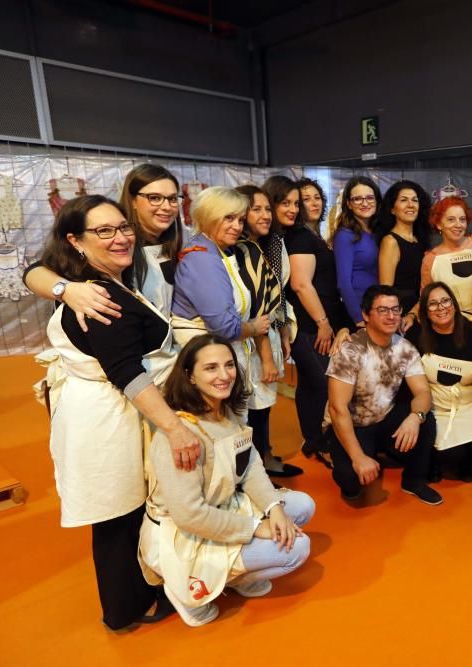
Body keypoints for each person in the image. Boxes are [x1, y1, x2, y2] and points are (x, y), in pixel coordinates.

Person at [37, 195, 201, 629]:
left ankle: (138, 593)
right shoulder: (97, 297)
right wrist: (174, 428)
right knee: (116, 512)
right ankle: (125, 608)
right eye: (104, 231)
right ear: (75, 240)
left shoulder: (100, 281)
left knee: (127, 508)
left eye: (122, 228)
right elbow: (126, 370)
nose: (119, 237)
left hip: (112, 409)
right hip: (106, 416)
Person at [140, 334, 314, 627]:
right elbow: (189, 516)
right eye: (210, 368)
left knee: (301, 506)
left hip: (221, 506)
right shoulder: (182, 435)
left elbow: (250, 465)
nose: (224, 375)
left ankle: (234, 576)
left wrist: (274, 508)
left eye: (229, 365)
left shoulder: (226, 411)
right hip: (182, 535)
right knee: (297, 549)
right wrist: (256, 527)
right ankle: (185, 590)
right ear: (189, 376)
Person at [324, 285, 443, 506]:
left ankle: (413, 481)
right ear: (365, 315)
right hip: (352, 424)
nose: (391, 316)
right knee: (351, 483)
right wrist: (358, 458)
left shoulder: (405, 348)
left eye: (395, 310)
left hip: (385, 418)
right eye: (382, 310)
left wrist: (415, 418)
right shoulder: (350, 350)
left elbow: (423, 392)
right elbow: (337, 409)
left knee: (426, 419)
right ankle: (351, 455)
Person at [24, 163, 183, 323]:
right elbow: (35, 271)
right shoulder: (115, 245)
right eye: (154, 198)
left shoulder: (173, 244)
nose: (166, 207)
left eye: (172, 199)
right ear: (133, 200)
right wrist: (66, 289)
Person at [264, 176, 352, 468]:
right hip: (309, 326)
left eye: (316, 198)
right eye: (302, 200)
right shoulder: (299, 237)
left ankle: (313, 439)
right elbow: (302, 285)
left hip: (310, 324)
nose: (310, 204)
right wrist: (324, 322)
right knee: (326, 384)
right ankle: (325, 441)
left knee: (309, 385)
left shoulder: (309, 235)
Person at [232, 184, 299, 477]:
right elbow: (256, 305)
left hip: (269, 328)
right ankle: (252, 466)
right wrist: (267, 354)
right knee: (248, 402)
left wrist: (283, 330)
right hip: (246, 334)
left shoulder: (272, 242)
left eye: (266, 209)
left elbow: (277, 294)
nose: (264, 215)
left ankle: (264, 457)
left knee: (264, 401)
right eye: (255, 209)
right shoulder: (237, 249)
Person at [170, 188, 272, 368]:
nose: (237, 227)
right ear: (208, 216)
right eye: (229, 218)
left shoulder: (217, 250)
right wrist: (254, 327)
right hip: (206, 360)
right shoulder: (202, 259)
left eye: (240, 220)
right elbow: (225, 327)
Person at [417, 282, 472, 481]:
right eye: (433, 304)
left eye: (445, 301)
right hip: (439, 407)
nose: (441, 307)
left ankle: (465, 459)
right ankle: (446, 459)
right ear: (425, 312)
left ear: (454, 304)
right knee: (451, 455)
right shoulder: (416, 337)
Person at [420, 196, 472, 323]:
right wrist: (412, 315)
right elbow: (426, 299)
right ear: (439, 224)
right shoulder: (430, 259)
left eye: (462, 219)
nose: (458, 225)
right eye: (451, 220)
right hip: (454, 327)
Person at [374, 179, 432, 328]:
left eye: (414, 200)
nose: (410, 205)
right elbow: (386, 290)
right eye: (403, 200)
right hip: (402, 318)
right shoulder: (390, 241)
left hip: (421, 311)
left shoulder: (419, 240)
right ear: (392, 209)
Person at [333, 176, 381, 327]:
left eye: (369, 198)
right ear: (348, 203)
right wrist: (358, 318)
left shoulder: (377, 231)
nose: (365, 203)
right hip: (361, 312)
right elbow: (343, 282)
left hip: (379, 309)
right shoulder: (345, 235)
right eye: (357, 199)